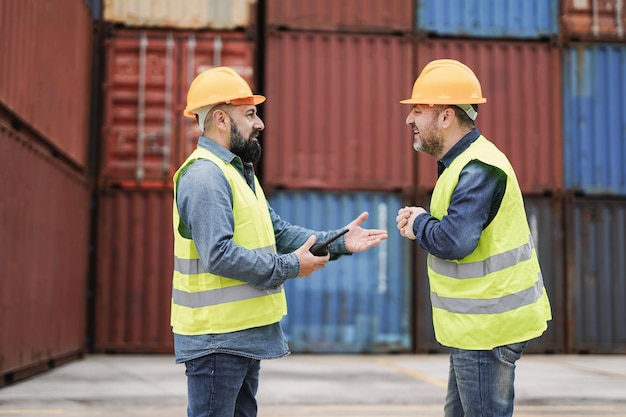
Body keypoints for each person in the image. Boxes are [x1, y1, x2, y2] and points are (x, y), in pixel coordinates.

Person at [172, 66, 388, 417]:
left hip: (239, 337)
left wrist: (338, 242)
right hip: (216, 340)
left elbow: (279, 233)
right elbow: (218, 255)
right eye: (251, 114)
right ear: (222, 120)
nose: (260, 124)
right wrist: (292, 266)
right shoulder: (205, 176)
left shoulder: (239, 173)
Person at [395, 59, 552, 417]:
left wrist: (420, 223)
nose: (409, 120)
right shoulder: (463, 164)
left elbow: (455, 242)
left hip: (488, 328)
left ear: (446, 116)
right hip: (476, 326)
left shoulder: (479, 167)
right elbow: (456, 231)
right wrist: (423, 222)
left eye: (418, 110)